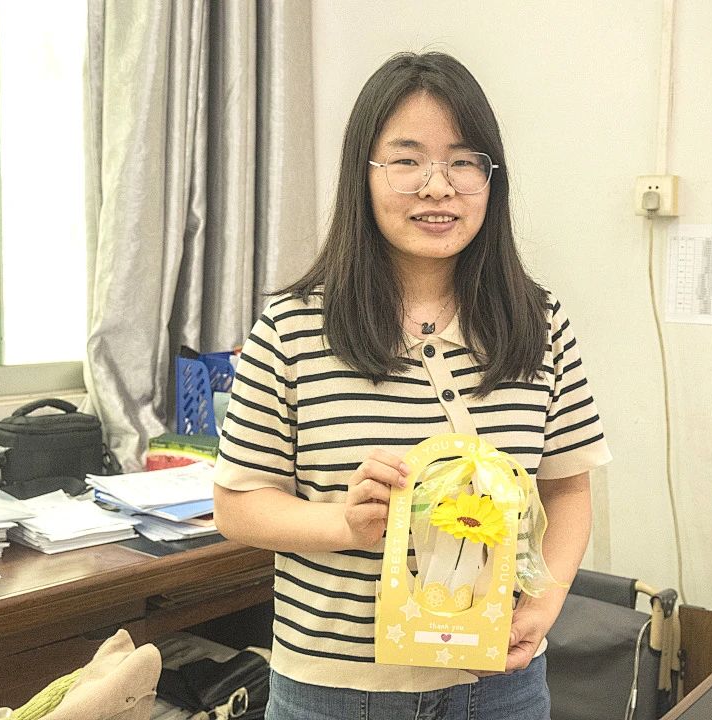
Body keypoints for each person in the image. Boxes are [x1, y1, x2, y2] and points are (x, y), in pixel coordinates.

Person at [213, 50, 612, 720]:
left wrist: (542, 609)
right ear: (363, 175)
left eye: (463, 161)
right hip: (336, 694)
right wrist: (343, 522)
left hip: (500, 690)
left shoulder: (538, 323)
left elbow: (568, 488)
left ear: (491, 179)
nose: (437, 187)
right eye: (407, 160)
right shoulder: (292, 328)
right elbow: (239, 506)